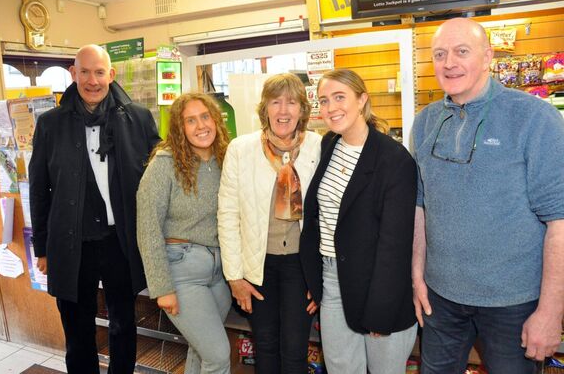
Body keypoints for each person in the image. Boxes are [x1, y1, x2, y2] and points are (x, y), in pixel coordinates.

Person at [412, 17, 564, 374]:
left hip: (514, 303)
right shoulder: (425, 122)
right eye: (439, 54)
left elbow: (559, 219)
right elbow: (420, 206)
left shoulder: (534, 117)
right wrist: (417, 277)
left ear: (488, 56)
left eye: (462, 51)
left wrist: (551, 310)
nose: (449, 62)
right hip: (441, 298)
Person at [29, 44, 160, 374]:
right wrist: (42, 248)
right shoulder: (50, 124)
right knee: (77, 329)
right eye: (84, 72)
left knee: (122, 324)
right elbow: (39, 190)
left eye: (99, 72)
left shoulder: (139, 119)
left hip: (121, 241)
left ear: (110, 75)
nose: (92, 80)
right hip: (72, 244)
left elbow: (158, 181)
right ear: (73, 74)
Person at [299, 69, 418, 374]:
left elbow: (395, 243)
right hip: (332, 281)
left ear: (362, 99)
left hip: (379, 286)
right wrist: (316, 278)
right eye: (324, 100)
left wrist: (382, 309)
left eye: (340, 97)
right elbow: (318, 218)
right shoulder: (329, 145)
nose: (331, 107)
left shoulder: (394, 160)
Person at [218, 73, 321, 373]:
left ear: (303, 109)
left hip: (301, 266)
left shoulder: (318, 147)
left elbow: (330, 216)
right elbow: (227, 215)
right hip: (256, 266)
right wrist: (235, 277)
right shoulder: (240, 149)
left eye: (291, 102)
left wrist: (320, 279)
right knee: (265, 345)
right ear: (265, 109)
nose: (283, 110)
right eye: (276, 102)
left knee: (295, 350)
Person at [137, 93, 231, 374]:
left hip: (220, 273)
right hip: (182, 272)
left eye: (205, 116)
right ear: (180, 128)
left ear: (216, 119)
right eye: (190, 120)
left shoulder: (226, 158)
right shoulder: (164, 164)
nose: (201, 125)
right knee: (218, 355)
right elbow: (147, 227)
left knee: (202, 350)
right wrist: (162, 288)